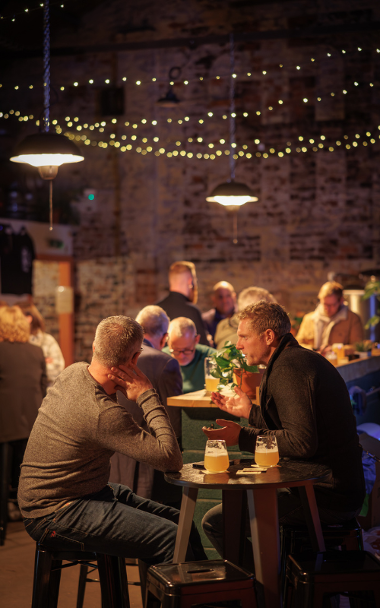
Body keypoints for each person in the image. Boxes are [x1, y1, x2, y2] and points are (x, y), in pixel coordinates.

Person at [18, 315, 206, 565]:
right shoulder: (103, 414)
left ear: (95, 347)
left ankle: (208, 600)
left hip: (72, 494)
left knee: (182, 525)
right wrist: (147, 394)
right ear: (134, 358)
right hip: (53, 512)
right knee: (172, 537)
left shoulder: (73, 371)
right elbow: (171, 459)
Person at [202, 301, 365, 568]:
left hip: (326, 495)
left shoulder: (289, 367)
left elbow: (301, 443)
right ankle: (273, 585)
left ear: (268, 336)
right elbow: (295, 426)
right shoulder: (292, 360)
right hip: (327, 488)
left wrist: (242, 437)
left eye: (244, 337)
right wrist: (250, 413)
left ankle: (260, 592)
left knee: (217, 521)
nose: (239, 345)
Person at [110, 305, 183, 506]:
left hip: (113, 460)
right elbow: (174, 424)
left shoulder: (113, 356)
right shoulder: (165, 363)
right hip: (149, 468)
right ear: (165, 337)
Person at [0, 305, 47, 519]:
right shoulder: (36, 352)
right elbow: (43, 388)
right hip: (32, 424)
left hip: (4, 425)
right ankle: (30, 514)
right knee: (24, 473)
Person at [296, 281, 363, 353]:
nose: (327, 309)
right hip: (312, 362)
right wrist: (311, 350)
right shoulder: (309, 318)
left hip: (337, 363)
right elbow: (297, 343)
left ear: (341, 301)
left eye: (331, 305)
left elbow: (357, 347)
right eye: (324, 304)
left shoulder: (352, 319)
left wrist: (335, 350)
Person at [156, 261, 209, 345]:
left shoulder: (156, 310)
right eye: (195, 281)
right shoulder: (192, 312)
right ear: (190, 282)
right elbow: (203, 348)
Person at [18, 302, 65, 386]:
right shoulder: (12, 342)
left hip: (44, 394)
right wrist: (42, 363)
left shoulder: (47, 340)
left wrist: (36, 364)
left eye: (15, 317)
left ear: (28, 319)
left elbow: (58, 370)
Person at [163, 317, 216, 393]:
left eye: (187, 350)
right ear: (167, 341)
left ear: (196, 340)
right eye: (175, 350)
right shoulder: (160, 359)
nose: (181, 356)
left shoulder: (213, 357)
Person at [202, 281, 236, 345]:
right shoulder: (205, 321)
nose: (224, 300)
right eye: (220, 297)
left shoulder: (243, 317)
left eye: (228, 296)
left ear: (234, 296)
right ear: (214, 299)